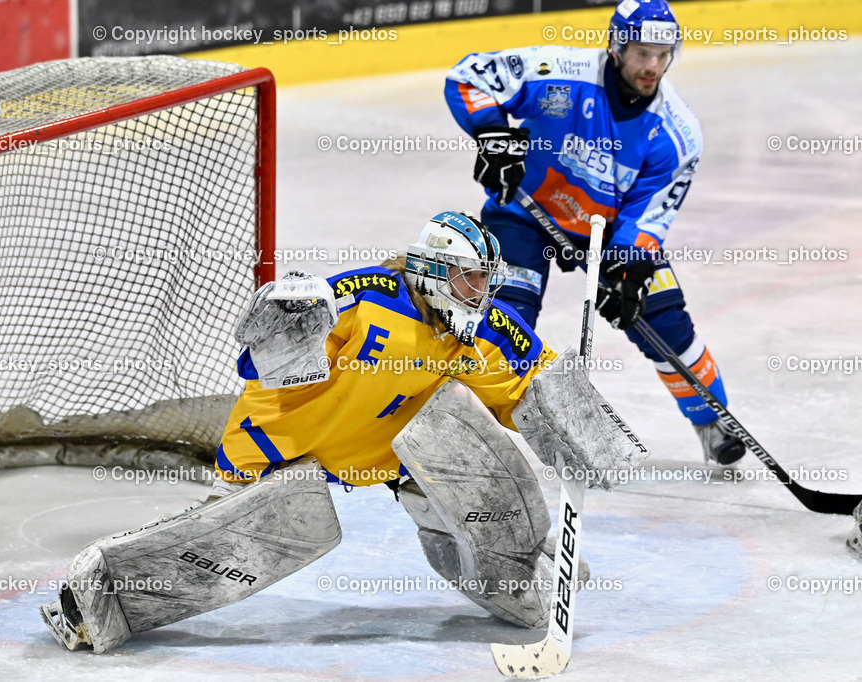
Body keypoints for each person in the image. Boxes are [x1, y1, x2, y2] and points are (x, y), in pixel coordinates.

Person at [39, 210, 646, 653]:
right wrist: (285, 321)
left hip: (393, 455)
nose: (480, 293)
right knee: (223, 544)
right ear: (434, 273)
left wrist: (572, 420)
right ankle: (91, 602)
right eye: (468, 279)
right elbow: (260, 360)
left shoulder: (482, 329)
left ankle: (526, 566)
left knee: (460, 420)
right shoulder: (366, 299)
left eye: (486, 279)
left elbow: (529, 386)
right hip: (280, 449)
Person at [445, 0, 745, 465]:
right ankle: (472, 429)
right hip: (524, 212)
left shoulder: (677, 133)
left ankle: (710, 420)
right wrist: (492, 136)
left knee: (661, 316)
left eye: (663, 54)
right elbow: (470, 76)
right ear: (616, 46)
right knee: (506, 318)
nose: (652, 66)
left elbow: (648, 217)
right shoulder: (559, 71)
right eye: (642, 53)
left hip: (605, 232)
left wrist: (629, 271)